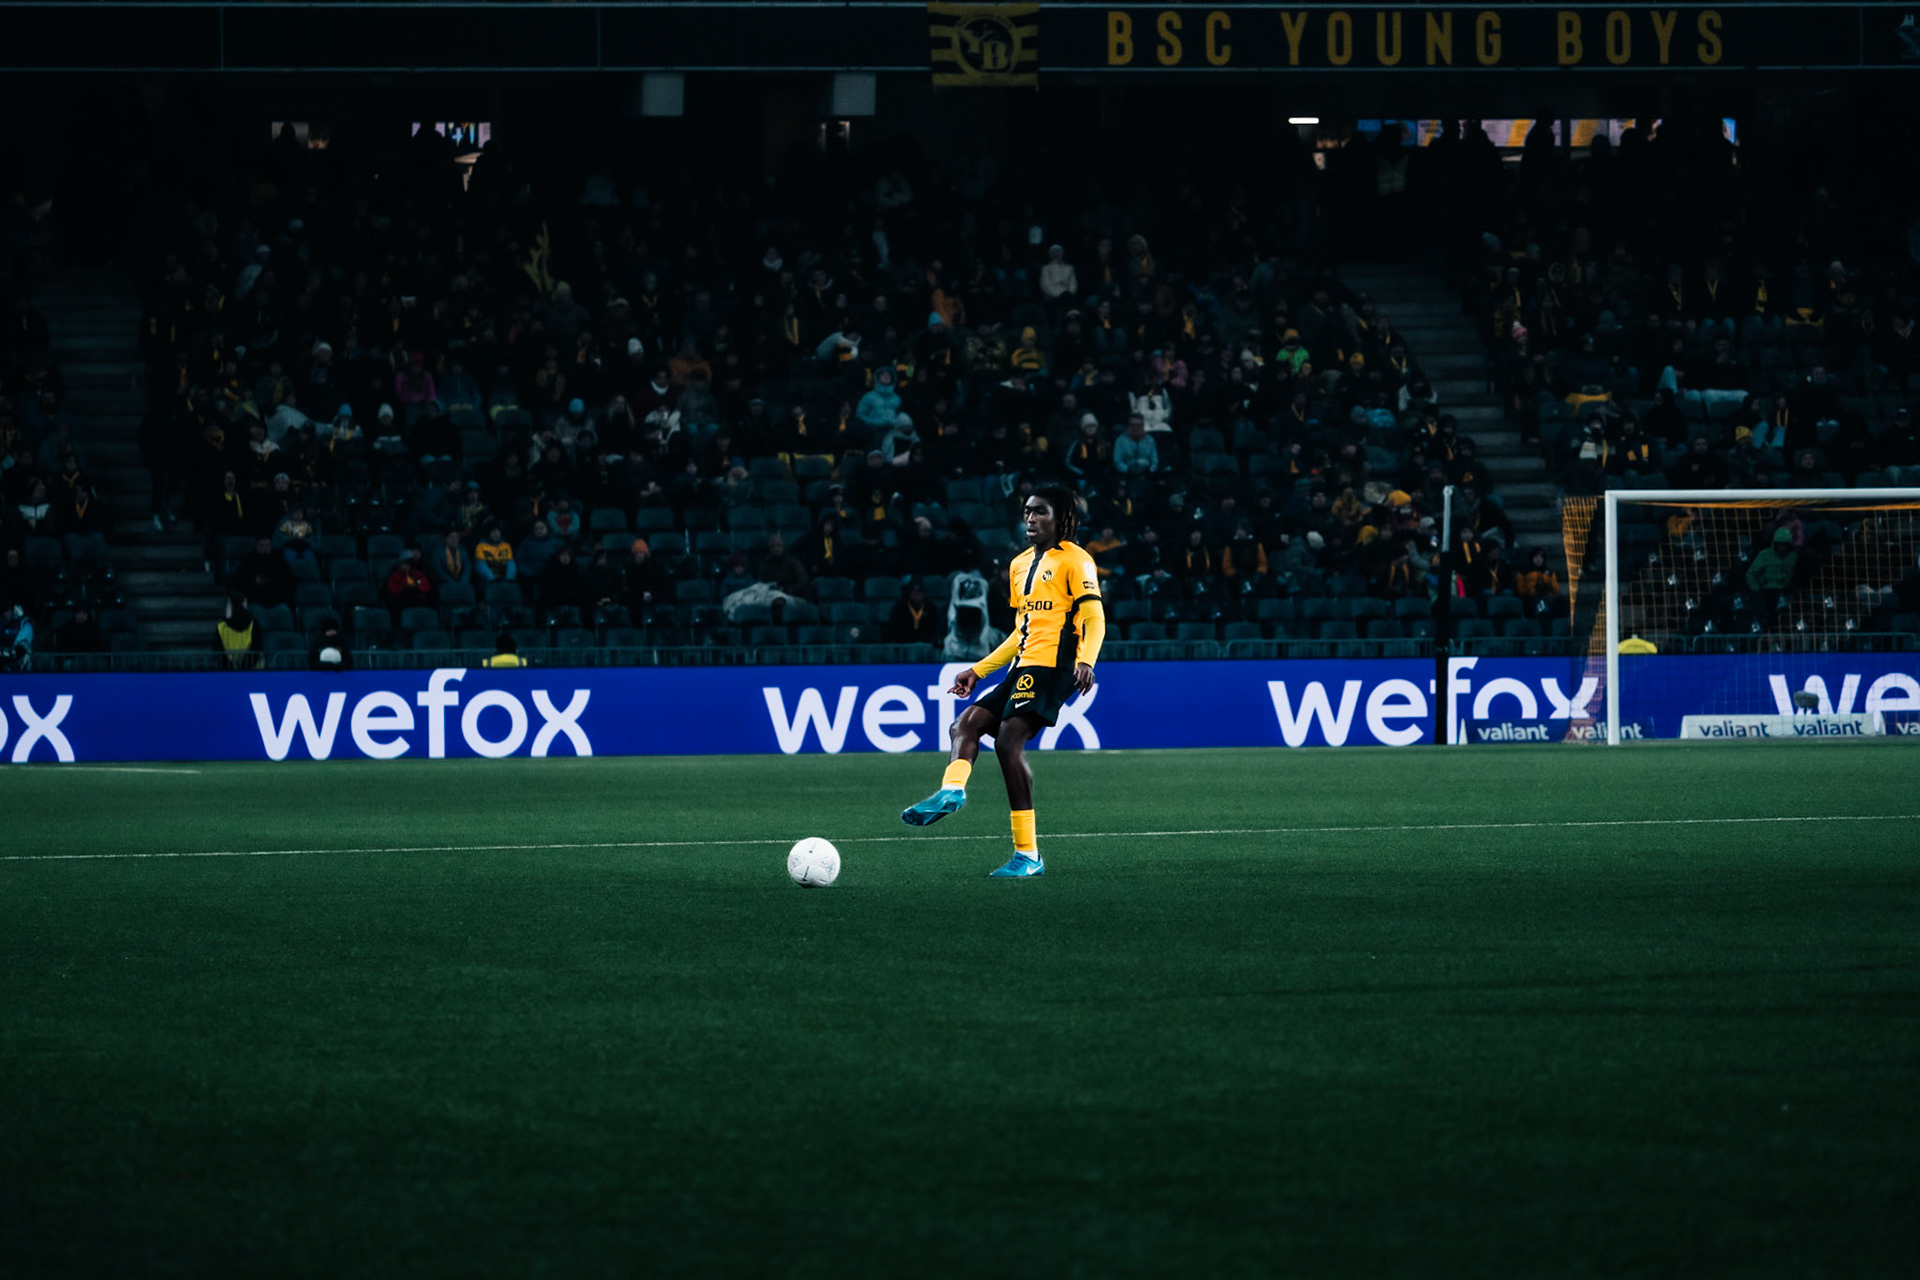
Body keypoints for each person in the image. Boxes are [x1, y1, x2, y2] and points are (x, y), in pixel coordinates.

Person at [900, 485, 1108, 878]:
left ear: (1061, 516)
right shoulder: (1018, 566)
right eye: (1027, 512)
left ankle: (1028, 855)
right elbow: (1020, 633)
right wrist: (978, 670)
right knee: (965, 724)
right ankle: (953, 790)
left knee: (1009, 741)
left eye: (1040, 512)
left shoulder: (1076, 561)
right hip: (1023, 667)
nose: (1030, 518)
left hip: (1053, 667)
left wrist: (1087, 661)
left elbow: (1094, 618)